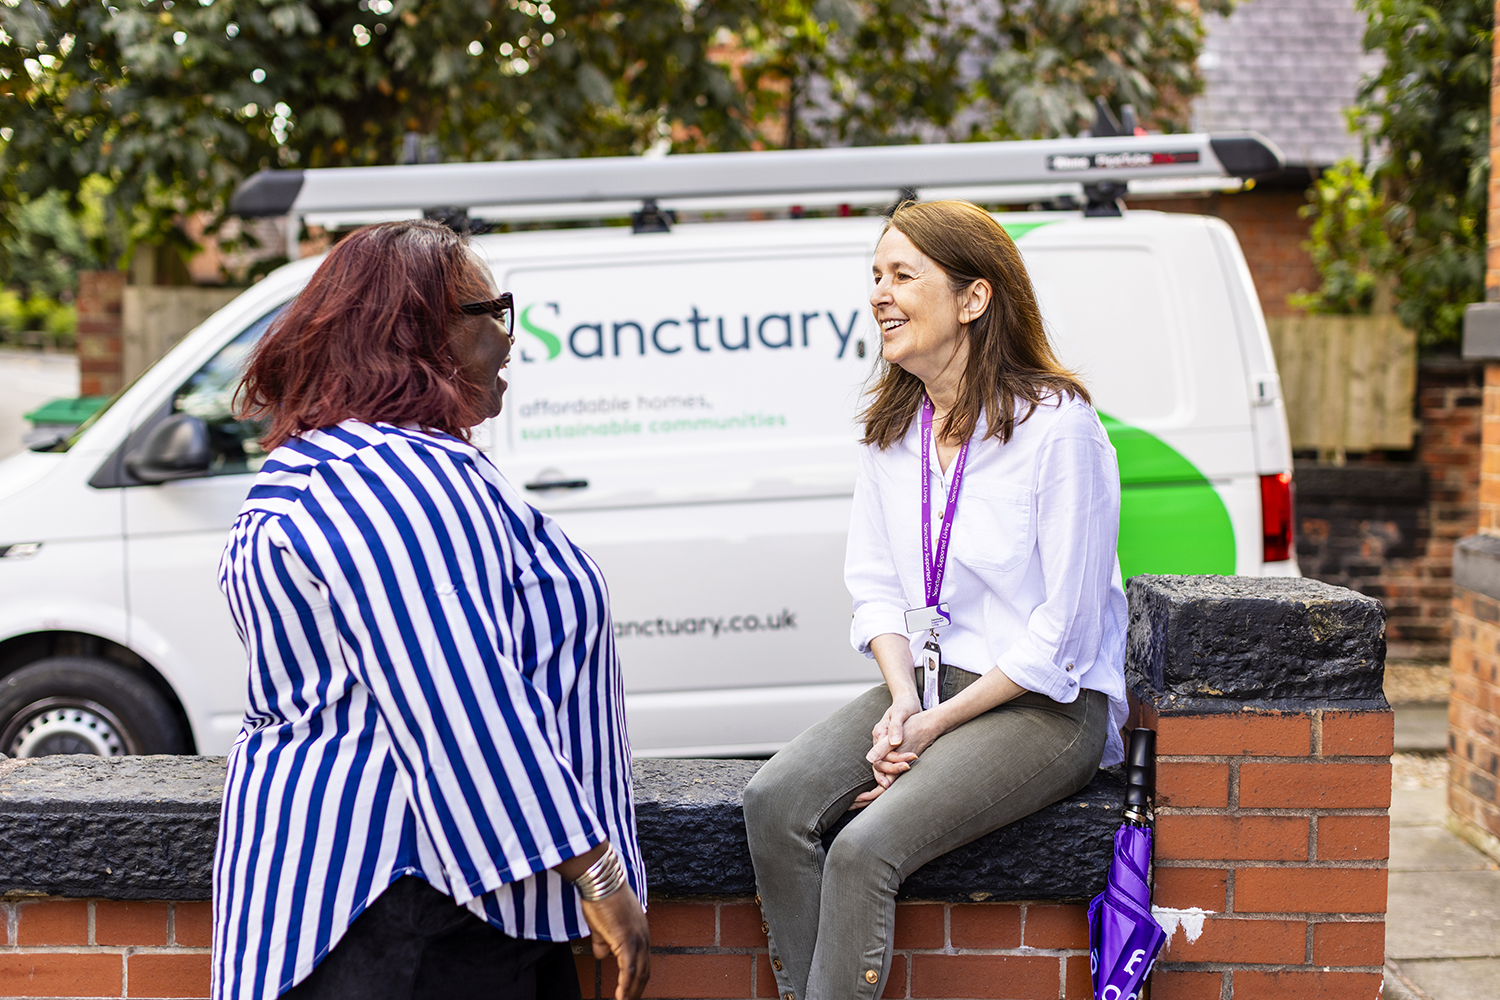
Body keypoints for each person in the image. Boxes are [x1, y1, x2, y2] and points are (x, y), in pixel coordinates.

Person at [212, 220, 650, 1000]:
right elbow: (459, 699)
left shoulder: (326, 460)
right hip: (411, 905)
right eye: (494, 309)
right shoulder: (394, 479)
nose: (512, 337)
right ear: (419, 332)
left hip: (378, 898)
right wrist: (598, 872)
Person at [742, 200, 1129, 1000]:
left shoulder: (1060, 428)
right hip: (934, 684)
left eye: (902, 275)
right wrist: (903, 699)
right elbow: (876, 587)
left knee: (864, 847)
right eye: (874, 277)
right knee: (771, 799)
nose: (879, 293)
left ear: (973, 298)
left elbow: (1066, 632)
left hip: (1047, 705)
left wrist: (932, 726)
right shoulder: (896, 430)